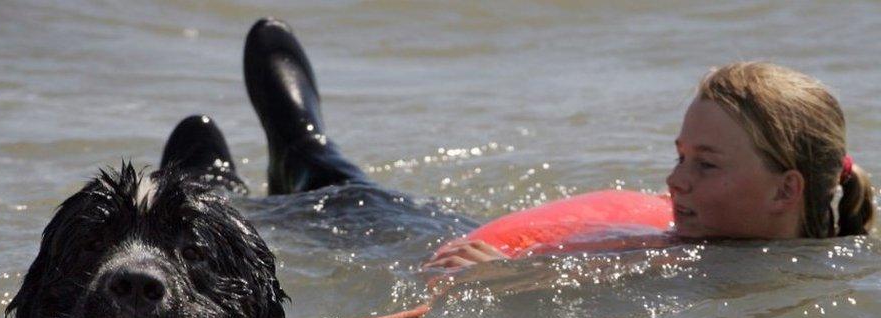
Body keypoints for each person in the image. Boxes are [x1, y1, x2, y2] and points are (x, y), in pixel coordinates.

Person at [163, 19, 875, 271]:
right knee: (341, 199)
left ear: (789, 190)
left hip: (474, 242)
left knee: (340, 196)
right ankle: (295, 148)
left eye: (706, 164)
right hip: (448, 238)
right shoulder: (682, 249)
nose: (675, 180)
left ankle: (253, 176)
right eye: (680, 155)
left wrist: (502, 282)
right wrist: (496, 272)